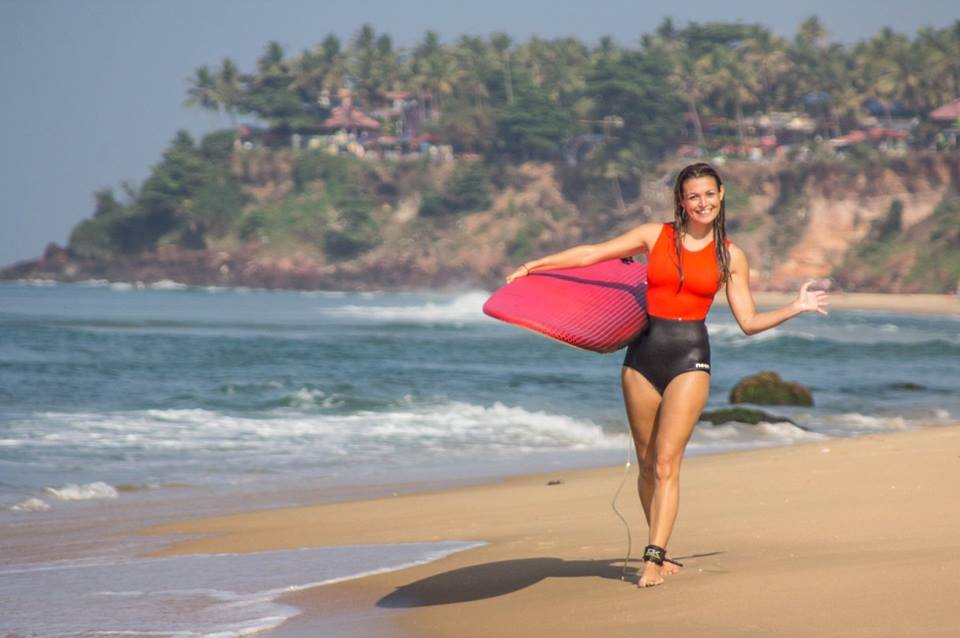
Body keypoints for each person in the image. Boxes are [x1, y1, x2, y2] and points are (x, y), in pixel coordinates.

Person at [505, 162, 829, 588]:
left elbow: (748, 322)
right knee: (645, 465)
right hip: (643, 355)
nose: (702, 203)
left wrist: (795, 307)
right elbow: (591, 254)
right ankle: (661, 546)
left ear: (721, 194)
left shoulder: (730, 256)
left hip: (689, 357)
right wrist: (534, 266)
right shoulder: (652, 236)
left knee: (665, 462)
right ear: (681, 200)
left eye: (709, 194)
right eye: (693, 196)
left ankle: (653, 559)